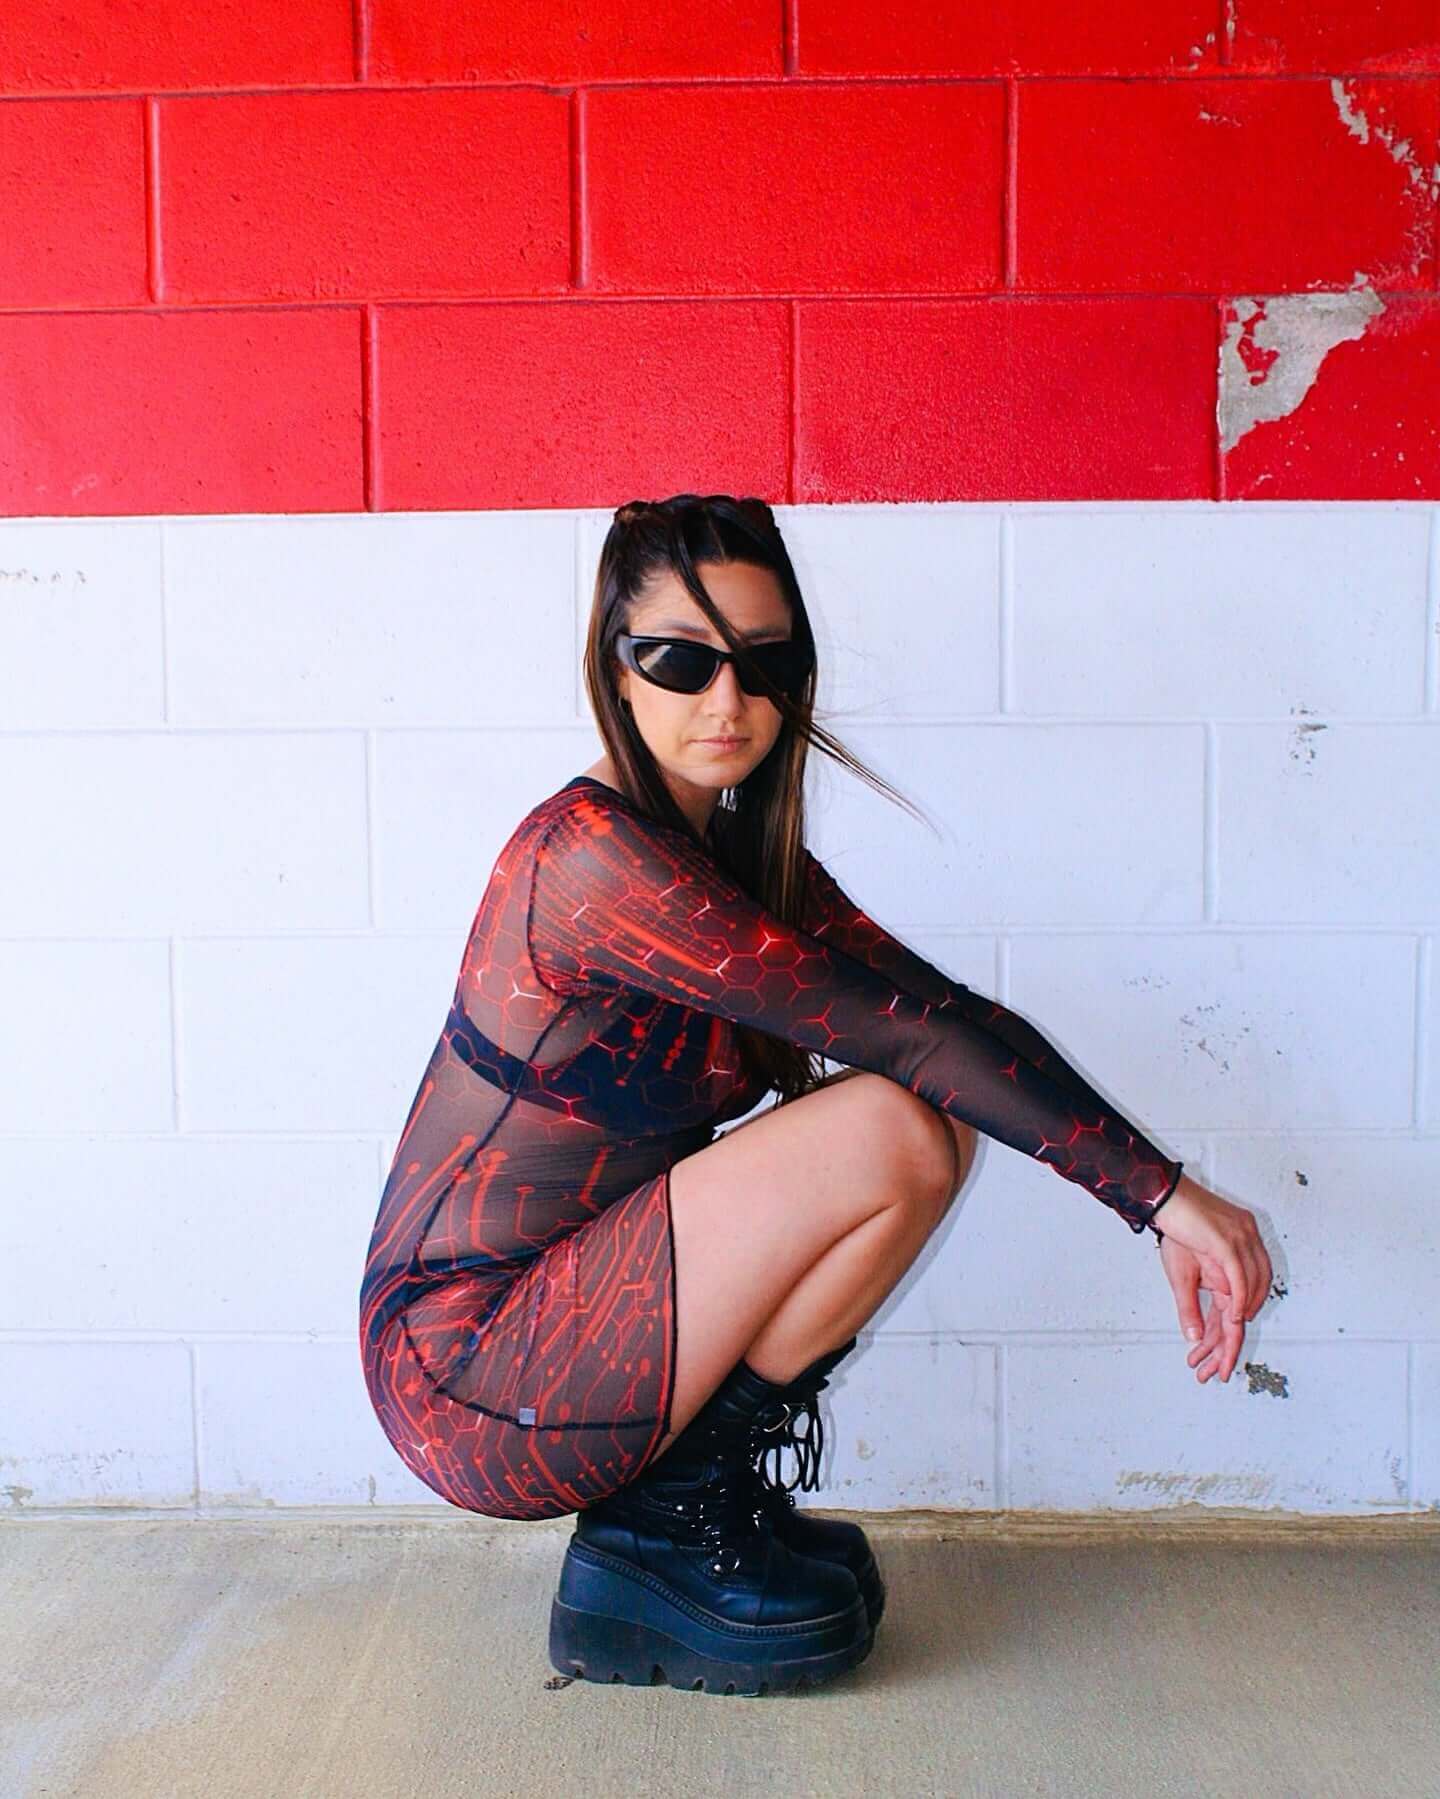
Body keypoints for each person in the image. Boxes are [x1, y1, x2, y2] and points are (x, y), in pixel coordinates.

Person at [357, 493, 1273, 1697]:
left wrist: (1166, 1191)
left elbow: (944, 1017)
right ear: (614, 670)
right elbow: (904, 1040)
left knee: (929, 1123)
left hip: (573, 1313)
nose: (726, 701)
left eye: (763, 661)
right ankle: (660, 1536)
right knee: (896, 1122)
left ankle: (685, 1503)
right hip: (469, 1369)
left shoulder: (730, 851)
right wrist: (1158, 1198)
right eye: (680, 661)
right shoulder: (590, 860)